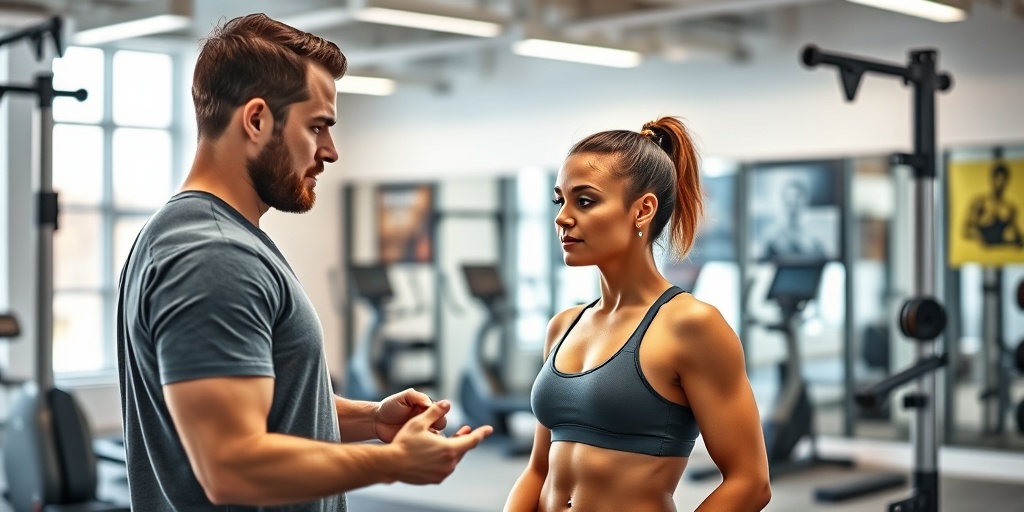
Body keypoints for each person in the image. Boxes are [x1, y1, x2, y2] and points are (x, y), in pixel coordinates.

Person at [116, 13, 491, 511]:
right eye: (318, 127)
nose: (331, 151)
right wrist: (395, 462)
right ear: (256, 120)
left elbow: (270, 409)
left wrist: (371, 419)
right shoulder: (215, 254)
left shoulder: (200, 235)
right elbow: (231, 466)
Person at [505, 117, 770, 511]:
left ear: (643, 209)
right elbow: (537, 470)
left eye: (585, 200)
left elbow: (750, 482)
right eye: (560, 200)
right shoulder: (563, 326)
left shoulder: (691, 325)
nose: (562, 217)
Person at [760, 178, 827, 261]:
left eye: (796, 201)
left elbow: (825, 263)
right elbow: (761, 264)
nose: (793, 207)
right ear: (784, 202)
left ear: (805, 202)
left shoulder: (814, 239)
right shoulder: (771, 235)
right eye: (789, 202)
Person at [964, 159, 1023, 247]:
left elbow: (1018, 239)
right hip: (982, 252)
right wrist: (983, 225)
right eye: (997, 179)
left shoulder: (1010, 208)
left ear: (1007, 182)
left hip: (1002, 253)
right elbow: (967, 229)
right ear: (992, 179)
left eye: (1003, 180)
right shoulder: (981, 202)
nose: (1000, 184)